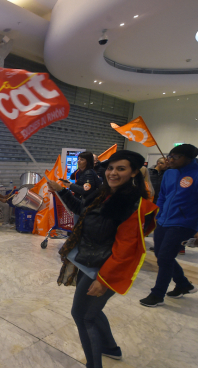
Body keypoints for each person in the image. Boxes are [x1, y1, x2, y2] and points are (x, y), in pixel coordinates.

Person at [49, 150, 158, 368]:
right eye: (110, 168)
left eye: (121, 168)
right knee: (92, 312)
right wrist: (62, 190)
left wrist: (104, 279)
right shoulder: (105, 193)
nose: (113, 173)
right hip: (88, 261)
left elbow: (125, 248)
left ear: (134, 172)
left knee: (82, 316)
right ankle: (110, 348)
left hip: (102, 269)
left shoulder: (132, 203)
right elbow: (82, 209)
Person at [140, 144, 198, 307]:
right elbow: (163, 196)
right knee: (161, 254)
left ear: (188, 158)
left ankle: (157, 294)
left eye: (175, 157)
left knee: (165, 258)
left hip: (185, 223)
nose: (169, 160)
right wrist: (159, 213)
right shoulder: (169, 173)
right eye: (169, 156)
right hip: (164, 220)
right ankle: (184, 284)